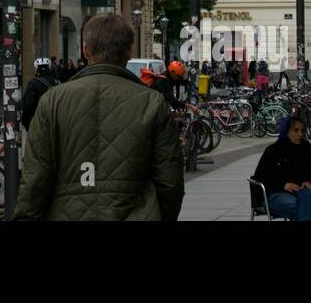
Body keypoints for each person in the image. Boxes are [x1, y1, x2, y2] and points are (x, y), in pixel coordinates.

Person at [14, 13, 184, 221]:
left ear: (86, 50)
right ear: (129, 51)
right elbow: (170, 181)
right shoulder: (153, 103)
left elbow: (35, 178)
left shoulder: (53, 101)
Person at [252, 115, 311, 221]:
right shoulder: (273, 150)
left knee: (305, 202)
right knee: (310, 209)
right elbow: (260, 176)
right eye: (296, 130)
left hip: (301, 192)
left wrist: (307, 180)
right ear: (286, 131)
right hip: (276, 193)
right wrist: (283, 184)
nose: (300, 134)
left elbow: (308, 170)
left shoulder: (305, 148)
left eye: (302, 130)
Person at [21, 58, 59, 132]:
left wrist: (26, 123)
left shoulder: (33, 83)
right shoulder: (56, 81)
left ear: (37, 69)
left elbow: (28, 106)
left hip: (39, 122)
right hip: (54, 121)